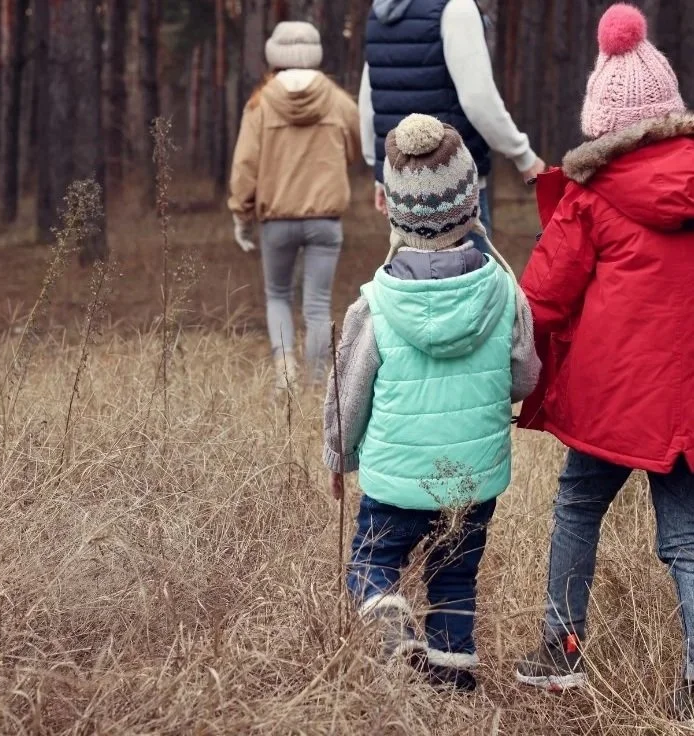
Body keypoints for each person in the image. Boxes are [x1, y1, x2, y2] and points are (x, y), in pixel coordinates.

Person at [513, 4, 694, 716]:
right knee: (686, 538)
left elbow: (544, 301)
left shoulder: (590, 198)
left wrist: (508, 364)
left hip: (616, 397)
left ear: (602, 121)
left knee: (579, 505)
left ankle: (560, 650)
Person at [323, 114, 540, 691]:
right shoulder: (503, 292)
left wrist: (338, 458)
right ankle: (454, 684)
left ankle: (389, 620)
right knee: (453, 581)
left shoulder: (376, 305)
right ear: (471, 203)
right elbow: (524, 378)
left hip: (395, 480)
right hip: (470, 481)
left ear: (394, 211)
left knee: (373, 564)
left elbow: (350, 395)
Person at [228, 22, 360, 390]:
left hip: (276, 221)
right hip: (325, 220)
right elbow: (354, 147)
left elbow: (244, 165)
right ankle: (319, 384)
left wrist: (241, 213)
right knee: (318, 303)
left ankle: (285, 374)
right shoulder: (337, 100)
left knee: (278, 296)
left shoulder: (260, 103)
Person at [359, 0, 546, 253]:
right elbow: (478, 99)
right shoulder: (456, 8)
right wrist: (523, 156)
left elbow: (369, 97)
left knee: (412, 285)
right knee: (473, 286)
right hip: (455, 186)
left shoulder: (380, 11)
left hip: (401, 187)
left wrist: (380, 174)